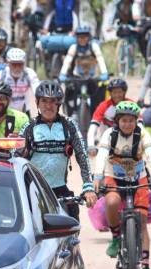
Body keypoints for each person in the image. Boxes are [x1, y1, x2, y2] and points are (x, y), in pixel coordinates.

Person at [93, 101, 151, 269]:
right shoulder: (109, 135)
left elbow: (150, 154)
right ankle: (116, 237)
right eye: (124, 120)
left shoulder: (142, 134)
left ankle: (146, 268)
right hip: (113, 177)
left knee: (142, 221)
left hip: (138, 178)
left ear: (136, 121)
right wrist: (97, 176)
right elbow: (101, 155)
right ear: (117, 121)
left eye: (131, 120)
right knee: (112, 202)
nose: (127, 124)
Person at [19, 81, 97, 219]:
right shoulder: (28, 127)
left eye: (53, 101)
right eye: (44, 101)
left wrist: (88, 186)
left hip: (60, 189)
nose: (48, 106)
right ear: (37, 103)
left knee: (72, 225)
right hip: (33, 189)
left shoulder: (69, 125)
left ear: (59, 104)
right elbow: (15, 157)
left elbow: (82, 155)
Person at [59, 26, 109, 116]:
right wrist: (62, 74)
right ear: (76, 38)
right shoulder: (73, 47)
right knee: (69, 92)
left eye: (85, 36)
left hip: (92, 77)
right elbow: (67, 61)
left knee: (99, 95)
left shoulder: (94, 46)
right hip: (77, 77)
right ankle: (71, 114)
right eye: (80, 37)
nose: (82, 39)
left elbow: (100, 59)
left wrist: (104, 73)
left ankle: (98, 115)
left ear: (88, 37)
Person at [87, 78, 135, 155]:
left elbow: (140, 124)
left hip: (127, 142)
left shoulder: (131, 104)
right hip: (106, 142)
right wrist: (91, 145)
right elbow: (93, 126)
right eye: (114, 92)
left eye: (119, 92)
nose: (117, 95)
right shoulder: (103, 106)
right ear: (110, 93)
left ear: (124, 92)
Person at [0, 48, 41, 113]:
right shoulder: (1, 75)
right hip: (5, 109)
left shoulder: (29, 73)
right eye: (14, 64)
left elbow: (38, 90)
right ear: (8, 63)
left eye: (20, 64)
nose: (17, 68)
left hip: (24, 109)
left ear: (24, 63)